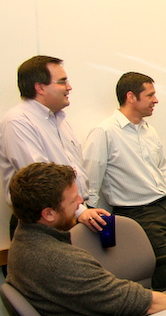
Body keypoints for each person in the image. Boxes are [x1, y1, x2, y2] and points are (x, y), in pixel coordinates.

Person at [5, 163, 166, 316]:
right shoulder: (60, 260)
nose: (80, 201)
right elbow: (139, 302)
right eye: (72, 200)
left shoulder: (22, 242)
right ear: (48, 213)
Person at [83, 72, 166, 291]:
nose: (156, 100)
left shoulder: (148, 130)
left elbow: (162, 165)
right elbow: (91, 179)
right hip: (139, 214)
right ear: (131, 97)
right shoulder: (104, 132)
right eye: (150, 95)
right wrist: (89, 215)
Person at [0, 55, 108, 238]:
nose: (69, 87)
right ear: (40, 87)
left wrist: (82, 209)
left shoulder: (60, 120)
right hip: (42, 223)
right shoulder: (18, 122)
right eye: (62, 82)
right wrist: (80, 212)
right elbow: (39, 181)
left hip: (73, 214)